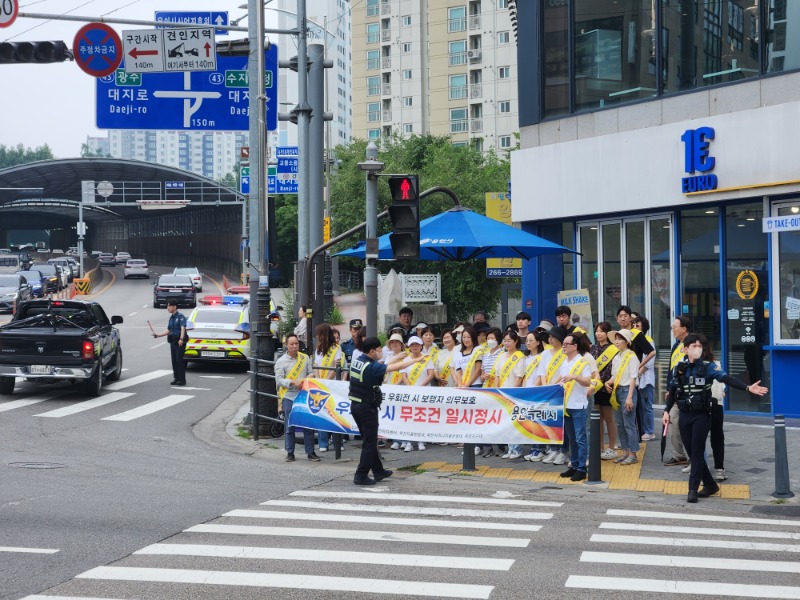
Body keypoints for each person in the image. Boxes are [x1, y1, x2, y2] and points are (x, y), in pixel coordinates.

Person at [664, 333, 768, 503]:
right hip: (685, 415)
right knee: (691, 452)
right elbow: (673, 392)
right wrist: (666, 411)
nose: (697, 349)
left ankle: (692, 489)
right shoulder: (679, 367)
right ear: (685, 349)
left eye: (699, 346)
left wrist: (748, 388)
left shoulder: (708, 367)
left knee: (697, 452)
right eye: (693, 346)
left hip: (702, 416)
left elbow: (728, 378)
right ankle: (711, 485)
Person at [349, 337, 424, 485]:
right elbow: (392, 368)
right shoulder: (371, 367)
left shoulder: (359, 361)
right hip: (366, 407)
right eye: (378, 349)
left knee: (370, 440)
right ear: (372, 351)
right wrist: (415, 360)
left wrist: (397, 357)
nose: (381, 351)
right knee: (369, 442)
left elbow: (381, 365)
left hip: (356, 405)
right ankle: (361, 474)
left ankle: (378, 471)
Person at [556, 332, 593, 481]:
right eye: (563, 344)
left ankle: (582, 468)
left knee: (580, 438)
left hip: (578, 405)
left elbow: (588, 382)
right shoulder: (564, 362)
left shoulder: (583, 362)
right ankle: (574, 465)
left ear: (575, 346)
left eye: (566, 344)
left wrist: (575, 377)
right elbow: (561, 380)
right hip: (566, 405)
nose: (563, 347)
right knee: (571, 438)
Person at [275, 334, 318, 462]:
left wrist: (306, 379)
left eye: (296, 344)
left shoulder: (304, 358)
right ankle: (290, 452)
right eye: (292, 344)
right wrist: (293, 382)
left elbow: (311, 372)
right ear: (286, 345)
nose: (295, 346)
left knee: (307, 425)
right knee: (290, 425)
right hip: (289, 396)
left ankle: (310, 452)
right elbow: (278, 380)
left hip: (304, 395)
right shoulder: (281, 361)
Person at [605, 329, 640, 465]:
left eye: (620, 339)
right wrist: (608, 382)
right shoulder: (617, 357)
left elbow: (633, 378)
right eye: (616, 339)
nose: (617, 341)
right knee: (620, 424)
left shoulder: (632, 357)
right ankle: (625, 452)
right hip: (617, 391)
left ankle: (633, 453)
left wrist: (630, 397)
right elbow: (615, 376)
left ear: (627, 342)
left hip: (627, 392)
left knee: (629, 424)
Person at [398, 335, 436, 451]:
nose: (414, 347)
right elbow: (403, 375)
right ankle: (409, 442)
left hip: (423, 392)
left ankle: (421, 441)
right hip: (410, 392)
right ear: (409, 347)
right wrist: (410, 387)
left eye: (417, 344)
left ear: (421, 346)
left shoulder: (426, 358)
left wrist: (420, 386)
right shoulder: (406, 360)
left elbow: (431, 374)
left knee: (421, 416)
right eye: (412, 345)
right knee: (409, 417)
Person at [664, 316, 692, 466]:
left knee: (688, 424)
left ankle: (693, 457)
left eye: (675, 326)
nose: (673, 329)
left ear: (684, 328)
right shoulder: (676, 346)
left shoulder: (693, 345)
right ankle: (678, 454)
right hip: (676, 392)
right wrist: (670, 389)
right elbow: (671, 370)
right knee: (673, 421)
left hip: (690, 392)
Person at [539, 327, 568, 465]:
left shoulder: (565, 353)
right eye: (549, 337)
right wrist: (546, 385)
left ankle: (563, 451)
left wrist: (554, 385)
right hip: (548, 390)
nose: (550, 339)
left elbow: (564, 372)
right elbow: (542, 371)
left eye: (553, 337)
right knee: (550, 421)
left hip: (559, 389)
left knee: (561, 422)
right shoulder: (545, 353)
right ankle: (554, 450)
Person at [314, 323, 345, 452]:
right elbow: (316, 365)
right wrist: (318, 379)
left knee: (334, 413)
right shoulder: (318, 349)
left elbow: (337, 366)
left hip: (332, 385)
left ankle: (338, 441)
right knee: (321, 413)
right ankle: (323, 442)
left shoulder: (336, 348)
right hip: (321, 384)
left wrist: (327, 380)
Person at [590, 322, 619, 460]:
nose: (598, 334)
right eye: (596, 331)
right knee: (597, 419)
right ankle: (600, 446)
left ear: (607, 333)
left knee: (609, 418)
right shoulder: (593, 348)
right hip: (594, 388)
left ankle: (612, 447)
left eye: (601, 331)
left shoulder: (613, 349)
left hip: (606, 387)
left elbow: (611, 370)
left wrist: (600, 383)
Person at [632, 315, 657, 441]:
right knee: (641, 406)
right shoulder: (634, 340)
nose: (634, 328)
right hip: (638, 380)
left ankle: (649, 431)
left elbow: (649, 362)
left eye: (637, 326)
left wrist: (638, 372)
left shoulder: (647, 340)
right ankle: (643, 429)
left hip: (646, 380)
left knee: (647, 406)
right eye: (634, 325)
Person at [152, 298, 187, 386]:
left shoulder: (180, 317)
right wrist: (158, 335)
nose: (167, 307)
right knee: (174, 360)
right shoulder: (171, 318)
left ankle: (182, 379)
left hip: (179, 341)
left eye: (169, 306)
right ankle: (176, 378)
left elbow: (183, 328)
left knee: (179, 360)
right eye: (167, 306)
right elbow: (169, 330)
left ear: (174, 307)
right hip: (173, 341)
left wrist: (181, 339)